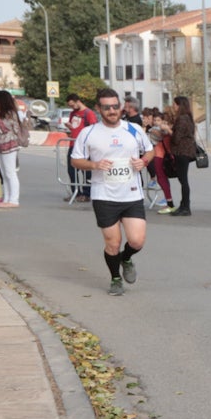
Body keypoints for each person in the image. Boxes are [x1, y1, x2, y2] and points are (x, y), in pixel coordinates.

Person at [70, 87, 154, 296]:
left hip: (132, 194)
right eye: (107, 107)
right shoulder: (88, 133)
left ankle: (126, 258)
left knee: (137, 241)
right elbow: (75, 160)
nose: (112, 111)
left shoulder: (134, 129)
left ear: (121, 107)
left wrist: (143, 161)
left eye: (115, 106)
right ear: (98, 108)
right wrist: (94, 165)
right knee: (113, 243)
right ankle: (115, 278)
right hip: (104, 195)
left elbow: (149, 151)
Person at [0, 89, 24, 208]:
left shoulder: (10, 113)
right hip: (0, 146)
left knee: (10, 173)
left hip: (9, 145)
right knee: (4, 174)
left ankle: (14, 200)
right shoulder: (2, 113)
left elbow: (0, 128)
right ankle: (7, 198)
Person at [166, 96, 198, 216]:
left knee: (183, 180)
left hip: (182, 152)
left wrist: (167, 129)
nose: (173, 106)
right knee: (182, 179)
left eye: (174, 104)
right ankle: (184, 205)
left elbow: (176, 138)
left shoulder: (182, 119)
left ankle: (185, 207)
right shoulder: (188, 118)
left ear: (179, 105)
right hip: (186, 151)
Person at [65, 93, 98, 201]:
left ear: (78, 101)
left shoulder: (88, 113)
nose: (72, 107)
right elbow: (74, 128)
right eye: (70, 106)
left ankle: (86, 193)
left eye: (72, 105)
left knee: (86, 171)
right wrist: (70, 128)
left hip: (84, 146)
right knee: (71, 170)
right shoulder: (73, 113)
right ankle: (76, 192)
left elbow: (93, 129)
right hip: (73, 144)